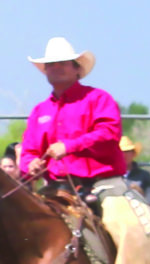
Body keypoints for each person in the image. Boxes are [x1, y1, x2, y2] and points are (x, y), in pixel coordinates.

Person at [16, 36, 126, 202]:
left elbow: (109, 134)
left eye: (63, 63)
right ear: (45, 71)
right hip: (55, 188)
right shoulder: (39, 111)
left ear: (77, 69)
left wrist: (69, 146)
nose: (56, 68)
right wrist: (31, 165)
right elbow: (29, 151)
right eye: (51, 64)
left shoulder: (98, 99)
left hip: (102, 185)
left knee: (124, 224)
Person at [119, 135, 150, 203]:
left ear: (133, 153)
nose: (124, 155)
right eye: (121, 152)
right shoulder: (109, 176)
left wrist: (141, 195)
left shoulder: (144, 176)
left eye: (127, 151)